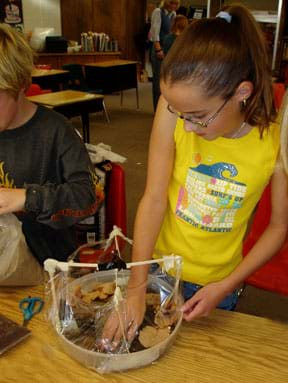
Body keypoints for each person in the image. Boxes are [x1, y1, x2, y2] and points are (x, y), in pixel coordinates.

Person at [102, 3, 288, 344]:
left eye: (198, 116)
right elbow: (154, 197)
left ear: (241, 93)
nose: (186, 127)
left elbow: (278, 227)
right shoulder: (175, 109)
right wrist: (137, 284)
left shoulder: (275, 137)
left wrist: (225, 286)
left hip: (220, 281)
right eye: (178, 112)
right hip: (158, 266)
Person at [0, 24, 100, 285]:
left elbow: (87, 197)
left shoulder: (55, 131)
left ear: (21, 84)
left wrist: (27, 198)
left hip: (49, 269)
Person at [150, 0, 180, 111]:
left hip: (168, 49)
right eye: (172, 3)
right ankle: (157, 110)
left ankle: (165, 109)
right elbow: (155, 33)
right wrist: (158, 50)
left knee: (167, 80)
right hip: (159, 48)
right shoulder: (158, 12)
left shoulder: (173, 14)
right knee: (158, 81)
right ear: (166, 2)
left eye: (176, 4)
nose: (174, 6)